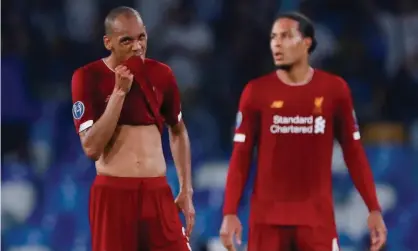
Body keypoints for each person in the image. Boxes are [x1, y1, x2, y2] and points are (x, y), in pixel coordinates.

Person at [220, 12, 387, 251]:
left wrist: (373, 208)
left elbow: (354, 153)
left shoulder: (334, 90)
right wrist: (229, 212)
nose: (277, 43)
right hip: (267, 222)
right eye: (273, 37)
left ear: (307, 42)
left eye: (286, 36)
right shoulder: (256, 92)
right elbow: (241, 156)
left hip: (316, 222)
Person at [71, 6, 194, 251]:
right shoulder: (87, 77)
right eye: (126, 40)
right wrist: (119, 93)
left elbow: (178, 130)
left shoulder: (162, 74)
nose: (137, 47)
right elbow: (91, 148)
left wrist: (186, 189)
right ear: (108, 42)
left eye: (141, 38)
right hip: (113, 195)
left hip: (158, 192)